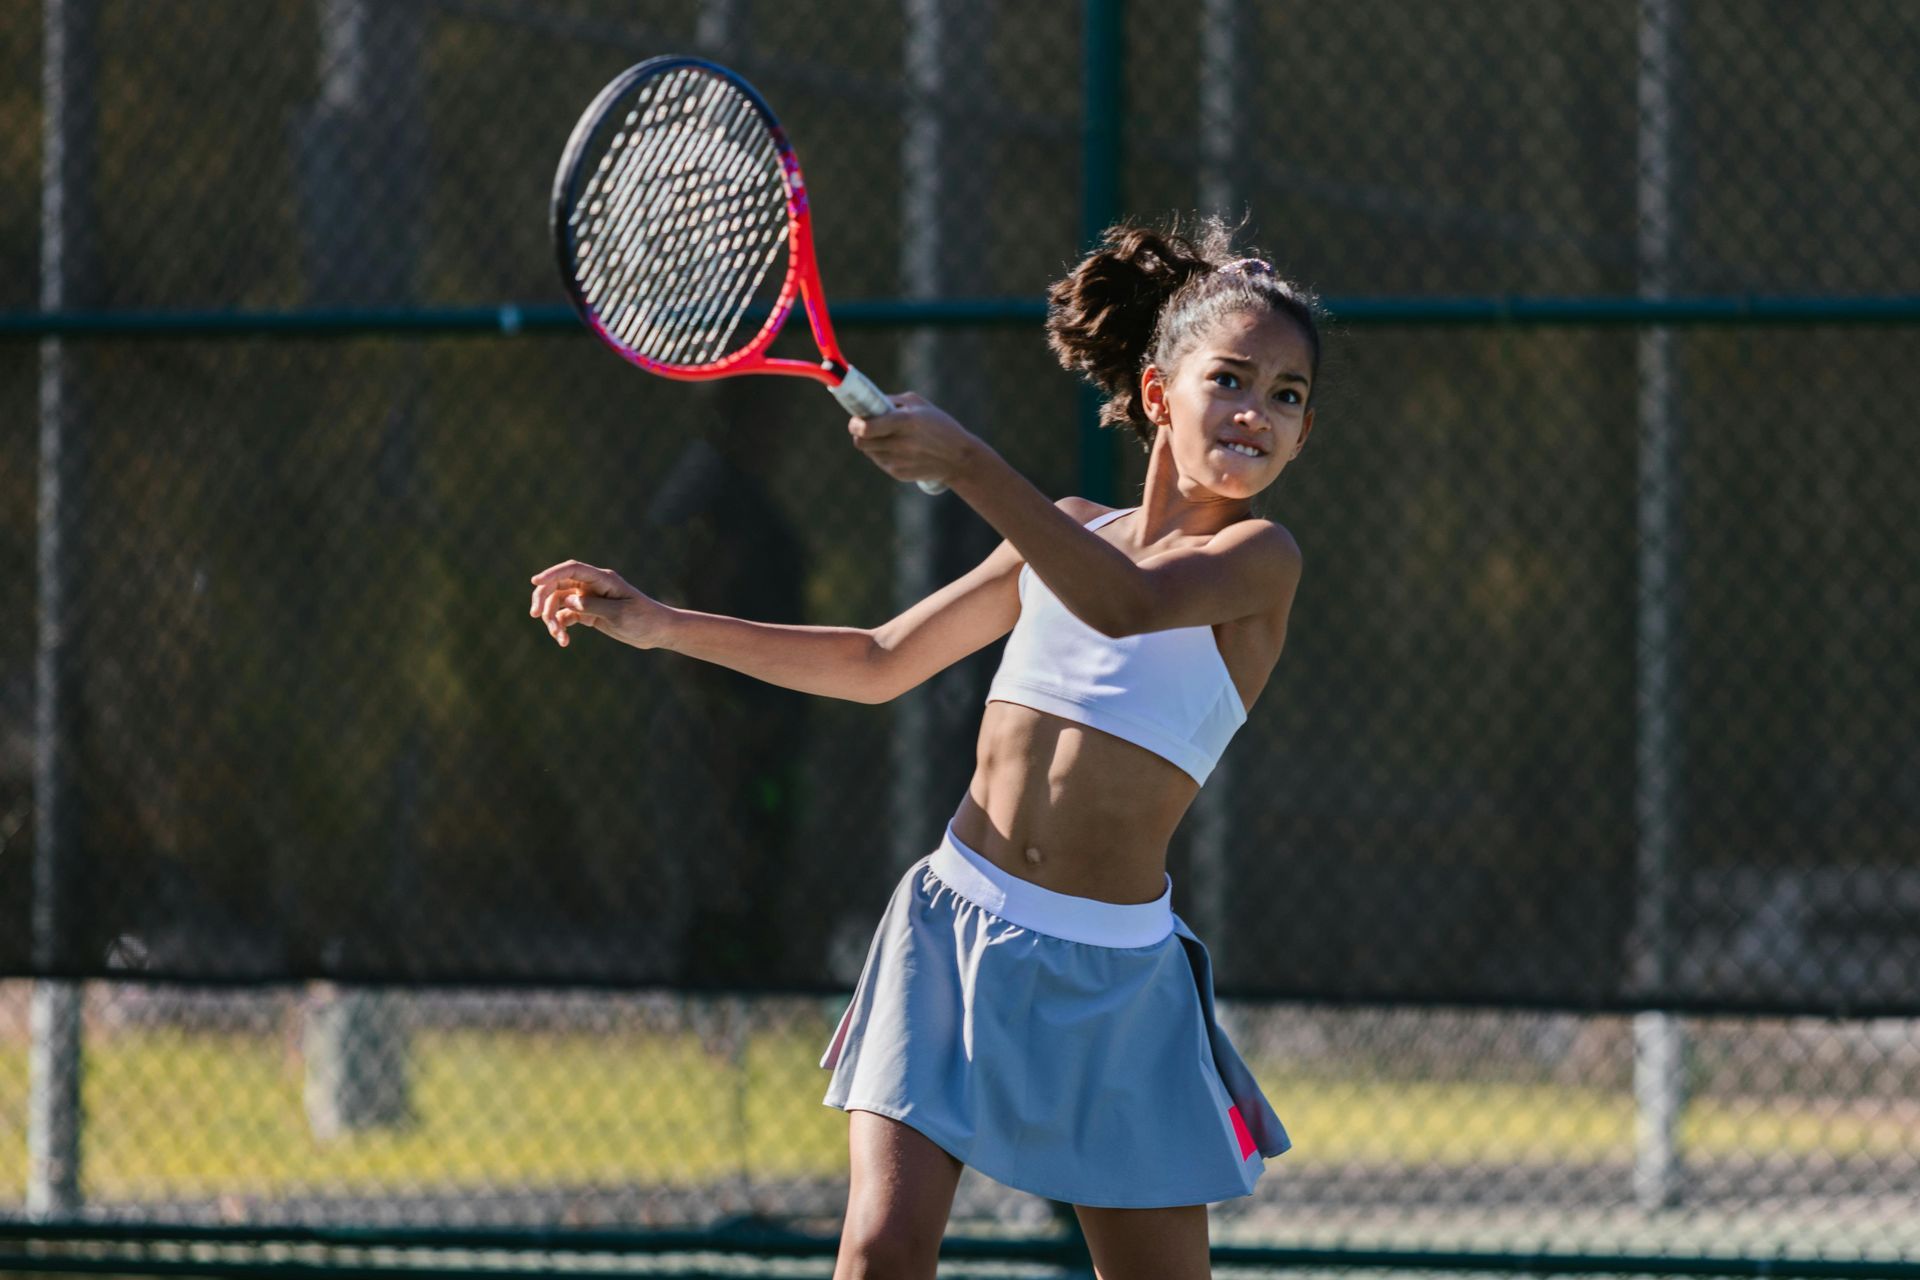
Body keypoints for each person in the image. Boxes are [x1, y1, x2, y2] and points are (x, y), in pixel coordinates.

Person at [529, 215, 1320, 1280]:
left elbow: (1129, 605)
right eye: (1231, 377)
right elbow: (875, 657)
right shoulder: (1068, 530)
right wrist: (665, 621)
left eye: (1287, 394)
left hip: (1119, 981)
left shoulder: (1259, 559)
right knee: (880, 1254)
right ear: (1154, 393)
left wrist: (969, 462)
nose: (1256, 412)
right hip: (955, 930)